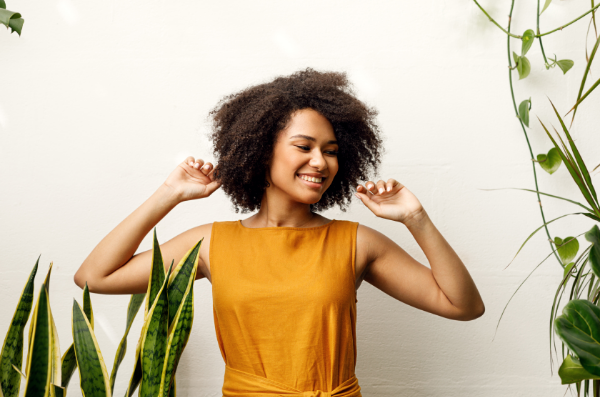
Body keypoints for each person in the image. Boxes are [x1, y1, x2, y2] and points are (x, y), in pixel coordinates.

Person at [74, 68, 484, 396]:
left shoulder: (356, 242)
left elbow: (463, 306)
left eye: (331, 150)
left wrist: (417, 219)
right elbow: (94, 277)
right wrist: (169, 194)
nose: (320, 162)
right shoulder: (211, 243)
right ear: (260, 149)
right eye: (304, 147)